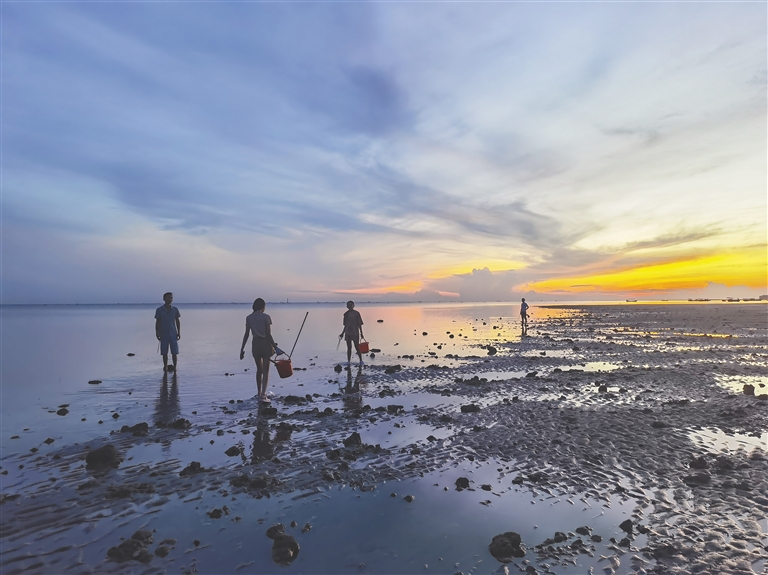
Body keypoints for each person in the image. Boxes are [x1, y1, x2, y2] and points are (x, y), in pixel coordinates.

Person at [240, 298, 275, 402]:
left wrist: (242, 349)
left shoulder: (249, 318)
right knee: (266, 370)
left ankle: (258, 392)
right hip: (265, 343)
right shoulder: (266, 317)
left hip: (255, 344)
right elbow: (268, 334)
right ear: (263, 307)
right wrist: (275, 346)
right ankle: (264, 395)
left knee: (259, 370)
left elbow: (246, 334)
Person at [155, 292, 181, 372]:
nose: (170, 299)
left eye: (171, 298)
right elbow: (157, 322)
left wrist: (179, 332)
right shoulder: (159, 310)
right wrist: (157, 333)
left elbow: (177, 321)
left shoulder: (175, 309)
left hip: (173, 333)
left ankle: (175, 367)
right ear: (164, 299)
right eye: (168, 297)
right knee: (164, 352)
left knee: (174, 352)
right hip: (164, 334)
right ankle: (165, 366)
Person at [339, 300, 364, 367]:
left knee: (357, 347)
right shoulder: (345, 314)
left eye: (351, 305)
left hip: (355, 332)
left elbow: (360, 324)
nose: (349, 306)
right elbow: (345, 325)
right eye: (348, 305)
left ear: (353, 305)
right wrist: (342, 333)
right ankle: (348, 361)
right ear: (347, 306)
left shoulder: (356, 313)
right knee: (349, 347)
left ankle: (361, 360)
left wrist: (361, 333)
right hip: (347, 333)